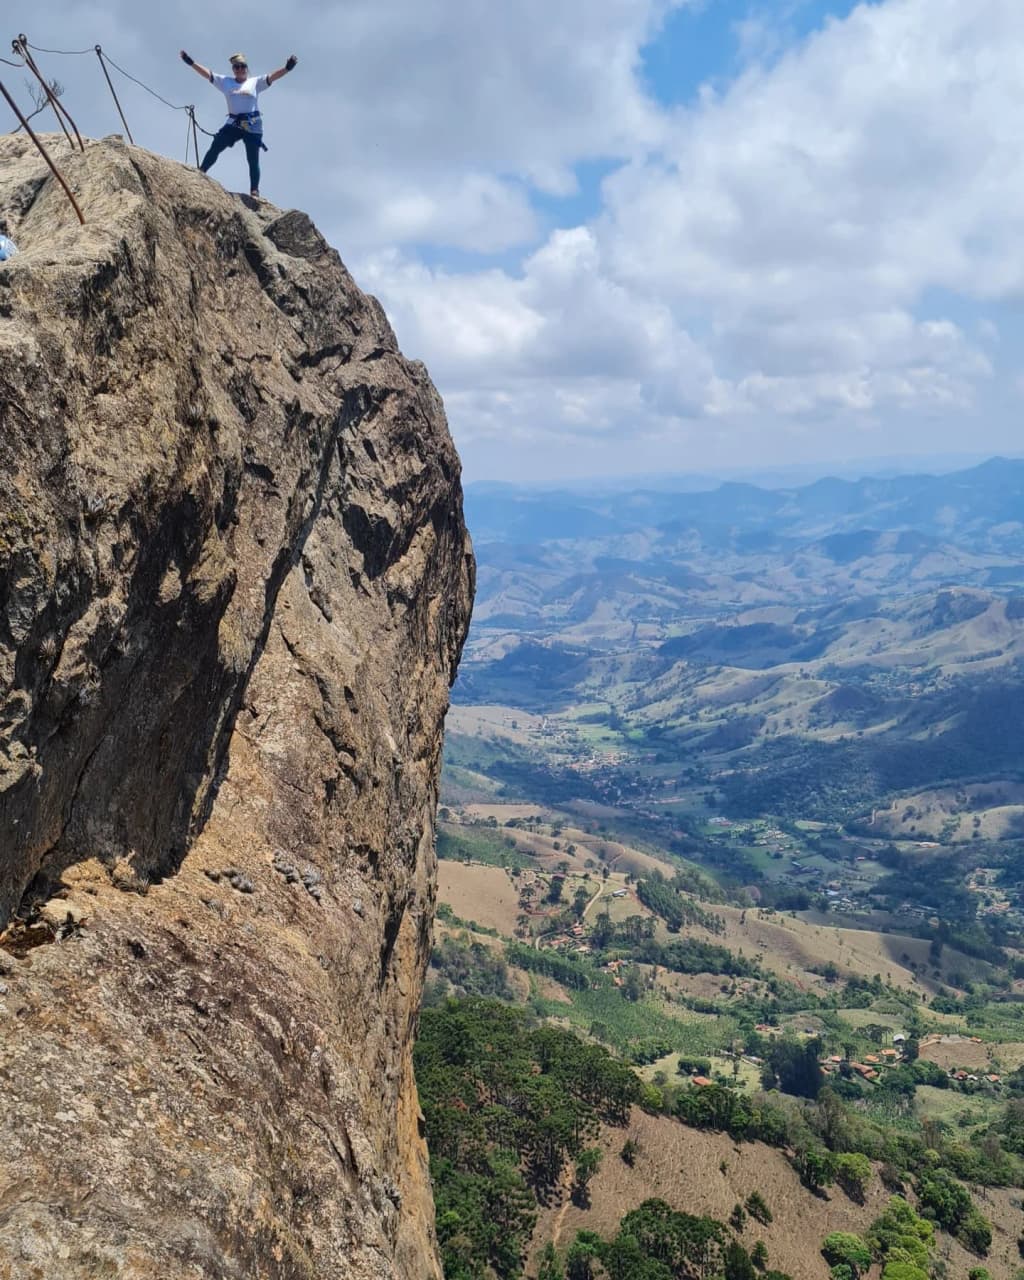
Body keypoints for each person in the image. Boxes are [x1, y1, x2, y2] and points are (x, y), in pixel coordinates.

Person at [179, 49, 298, 200]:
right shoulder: (225, 82)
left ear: (246, 68)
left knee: (252, 158)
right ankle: (201, 171)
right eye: (236, 67)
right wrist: (191, 62)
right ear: (233, 70)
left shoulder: (255, 82)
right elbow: (207, 74)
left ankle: (254, 190)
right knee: (217, 145)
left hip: (252, 124)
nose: (240, 69)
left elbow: (272, 77)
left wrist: (287, 68)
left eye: (242, 66)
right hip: (234, 123)